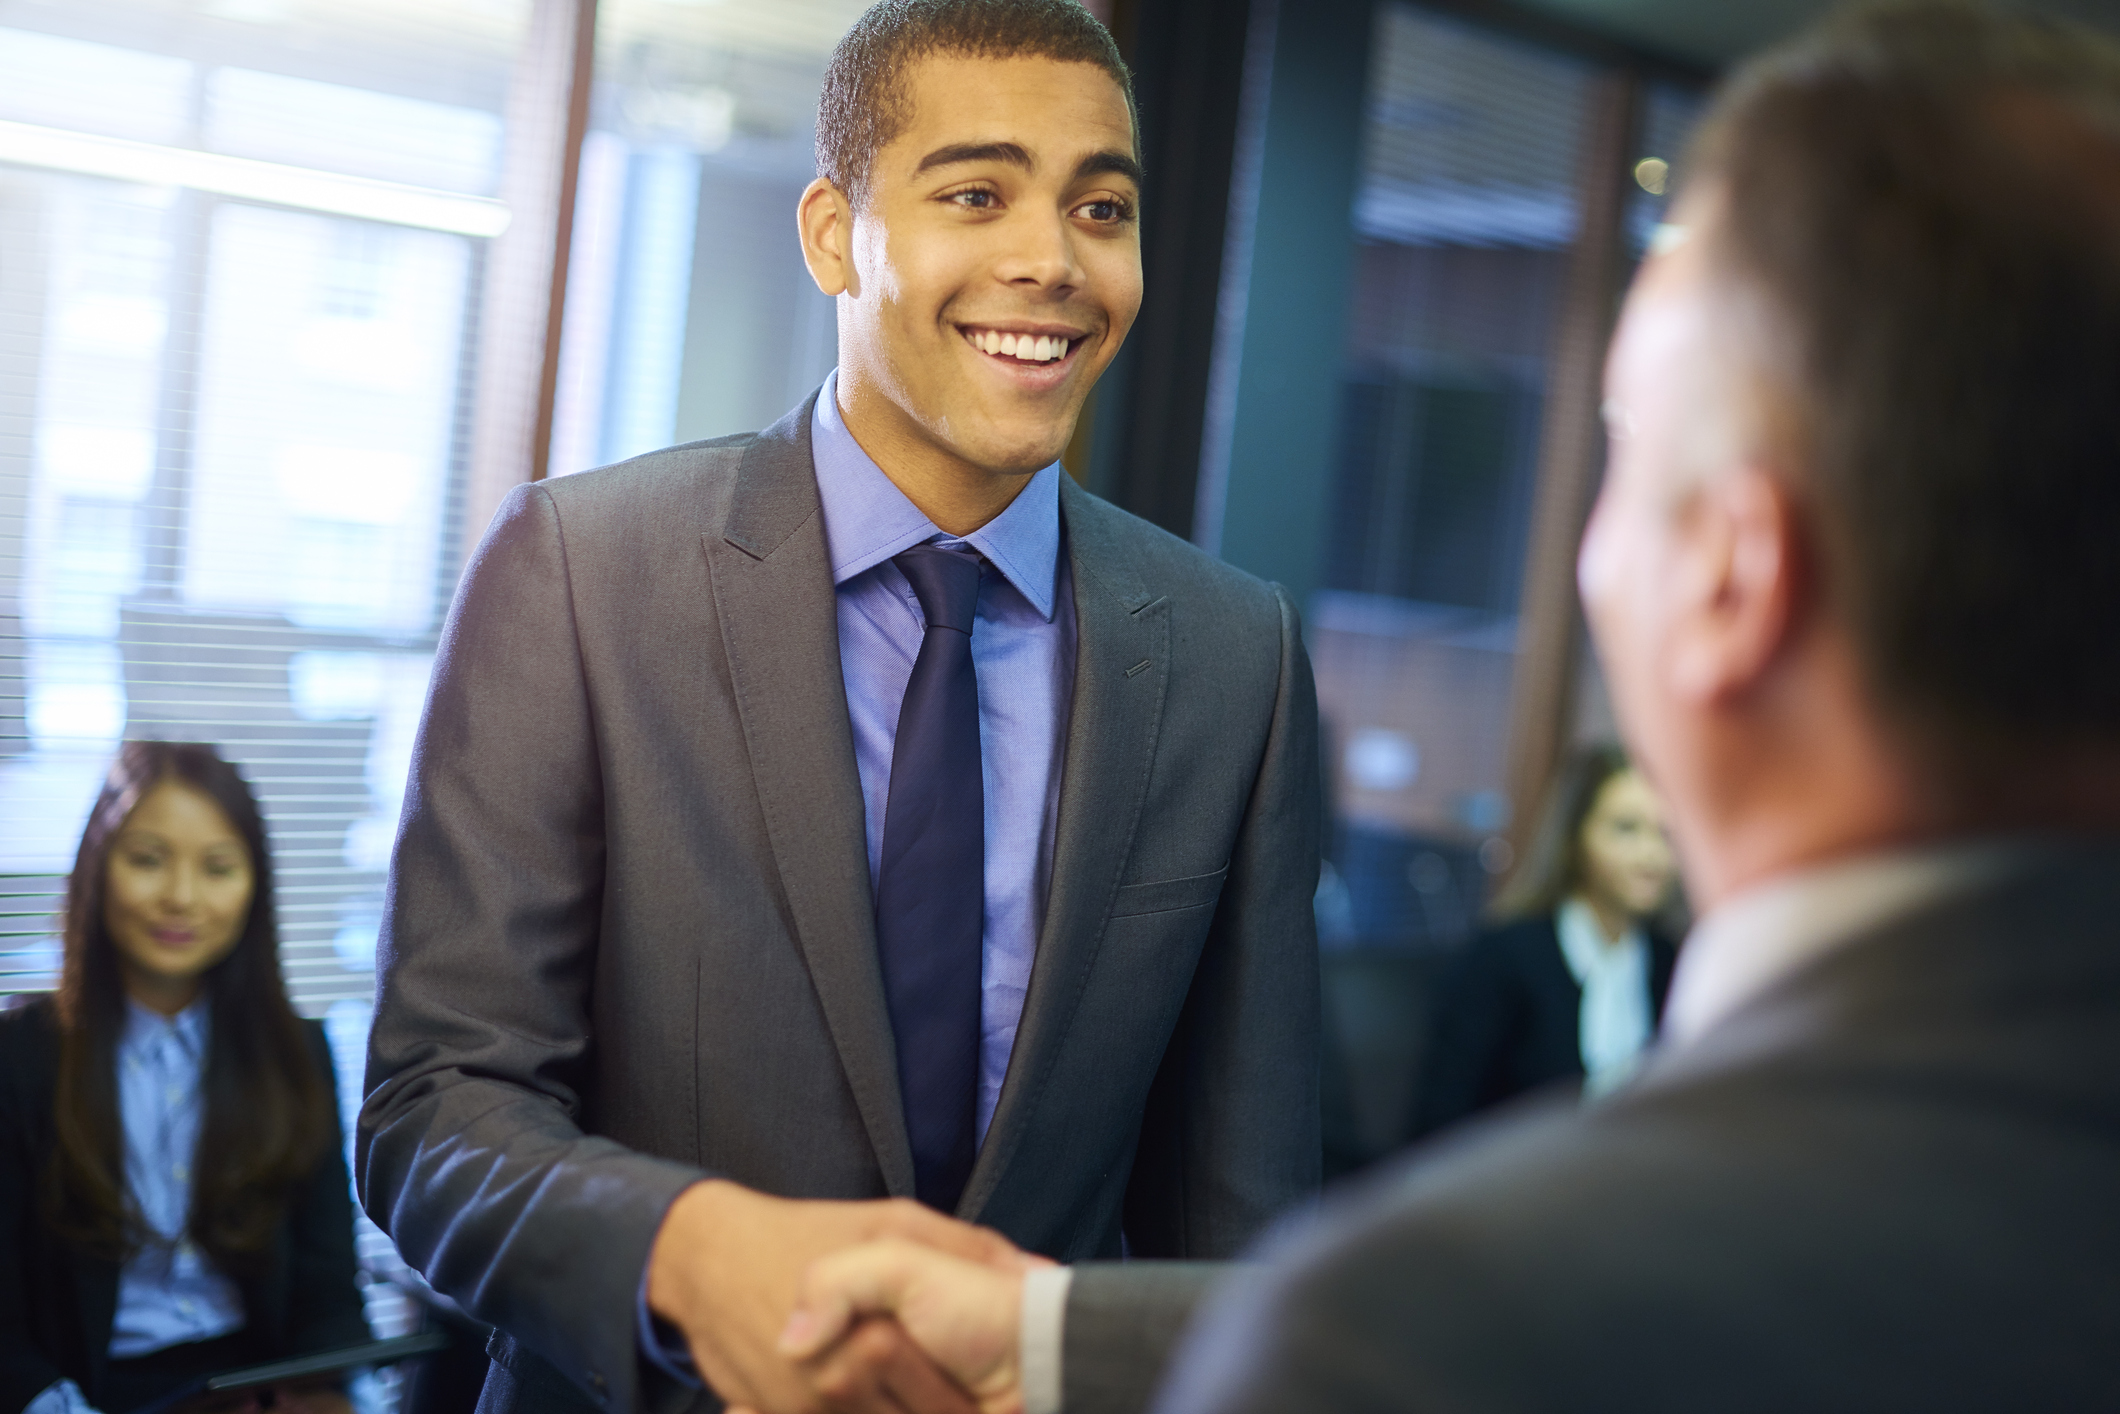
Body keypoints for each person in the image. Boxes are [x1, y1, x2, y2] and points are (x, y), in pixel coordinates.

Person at [755, 4, 2120, 1411]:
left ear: (1734, 576)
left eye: (1628, 448)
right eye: (977, 193)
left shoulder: (1428, 1325)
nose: (1047, 257)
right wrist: (1052, 1339)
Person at [357, 2, 1322, 1413]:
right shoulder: (583, 571)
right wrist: (690, 1252)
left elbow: (1237, 1220)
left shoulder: (1235, 653)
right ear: (832, 234)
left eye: (1099, 207)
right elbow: (432, 1110)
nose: (1050, 260)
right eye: (977, 194)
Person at [0, 743, 369, 1414]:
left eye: (218, 868)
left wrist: (338, 1390)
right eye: (147, 860)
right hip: (88, 1391)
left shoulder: (296, 1048)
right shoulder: (18, 1057)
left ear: (254, 886)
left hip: (252, 1388)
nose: (181, 896)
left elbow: (327, 1288)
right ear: (96, 869)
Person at [1410, 745, 1680, 1138]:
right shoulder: (1504, 958)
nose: (1652, 855)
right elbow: (1439, 1126)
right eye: (1626, 829)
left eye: (1666, 834)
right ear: (1575, 837)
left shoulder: (1666, 960)